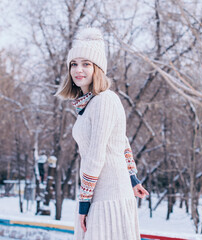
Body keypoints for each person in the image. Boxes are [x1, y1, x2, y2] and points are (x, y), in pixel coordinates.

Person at [55, 27, 149, 240]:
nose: (78, 69)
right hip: (101, 193)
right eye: (74, 64)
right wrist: (133, 179)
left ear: (98, 68)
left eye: (86, 64)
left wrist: (84, 203)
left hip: (109, 195)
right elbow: (121, 141)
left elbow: (96, 155)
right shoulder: (89, 105)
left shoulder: (104, 100)